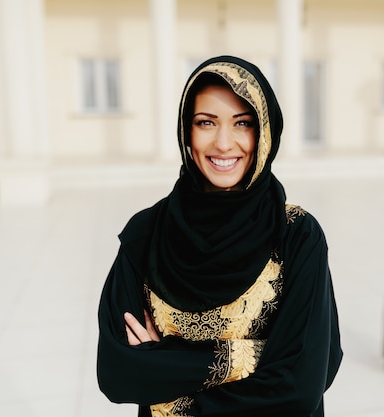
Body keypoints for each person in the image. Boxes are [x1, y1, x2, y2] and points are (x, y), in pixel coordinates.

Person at [97, 55, 343, 417]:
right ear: (187, 130)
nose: (224, 143)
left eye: (242, 123)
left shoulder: (296, 234)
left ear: (263, 133)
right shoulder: (145, 233)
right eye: (206, 122)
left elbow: (299, 387)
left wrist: (166, 375)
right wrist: (258, 355)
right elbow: (118, 372)